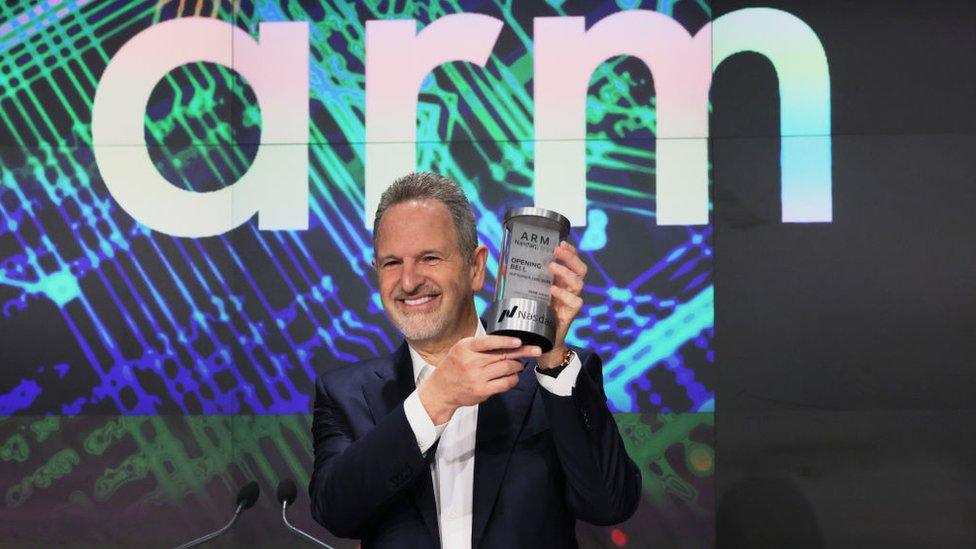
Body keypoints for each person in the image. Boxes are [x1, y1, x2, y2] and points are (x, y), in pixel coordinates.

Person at [309, 172, 641, 548]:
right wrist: (433, 402)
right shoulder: (345, 394)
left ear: (475, 267)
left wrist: (551, 357)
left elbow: (610, 504)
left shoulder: (551, 373)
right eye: (391, 263)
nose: (408, 281)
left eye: (429, 258)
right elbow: (335, 512)